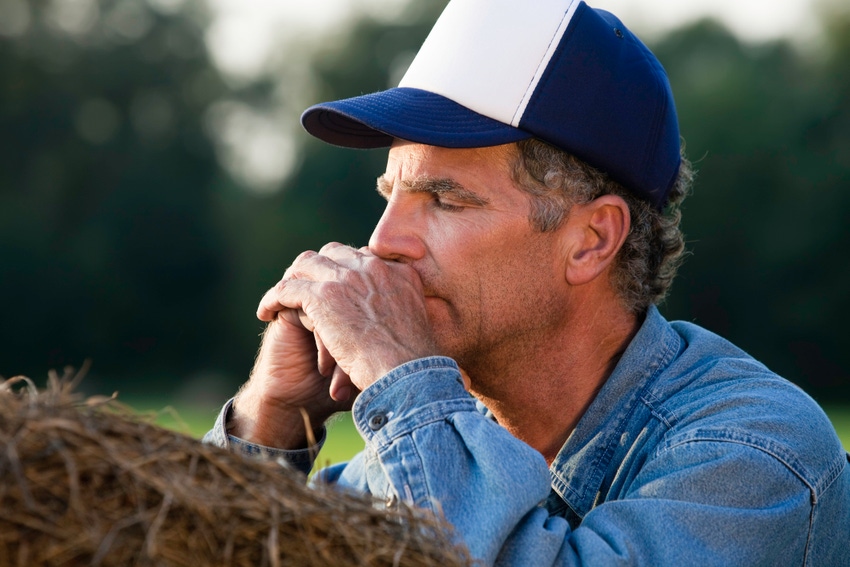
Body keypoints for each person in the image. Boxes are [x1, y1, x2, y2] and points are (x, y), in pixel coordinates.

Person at [204, 0, 850, 564]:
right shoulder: (404, 465)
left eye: (444, 199)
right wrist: (272, 424)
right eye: (390, 194)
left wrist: (398, 375)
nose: (383, 241)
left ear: (592, 239)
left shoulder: (751, 453)